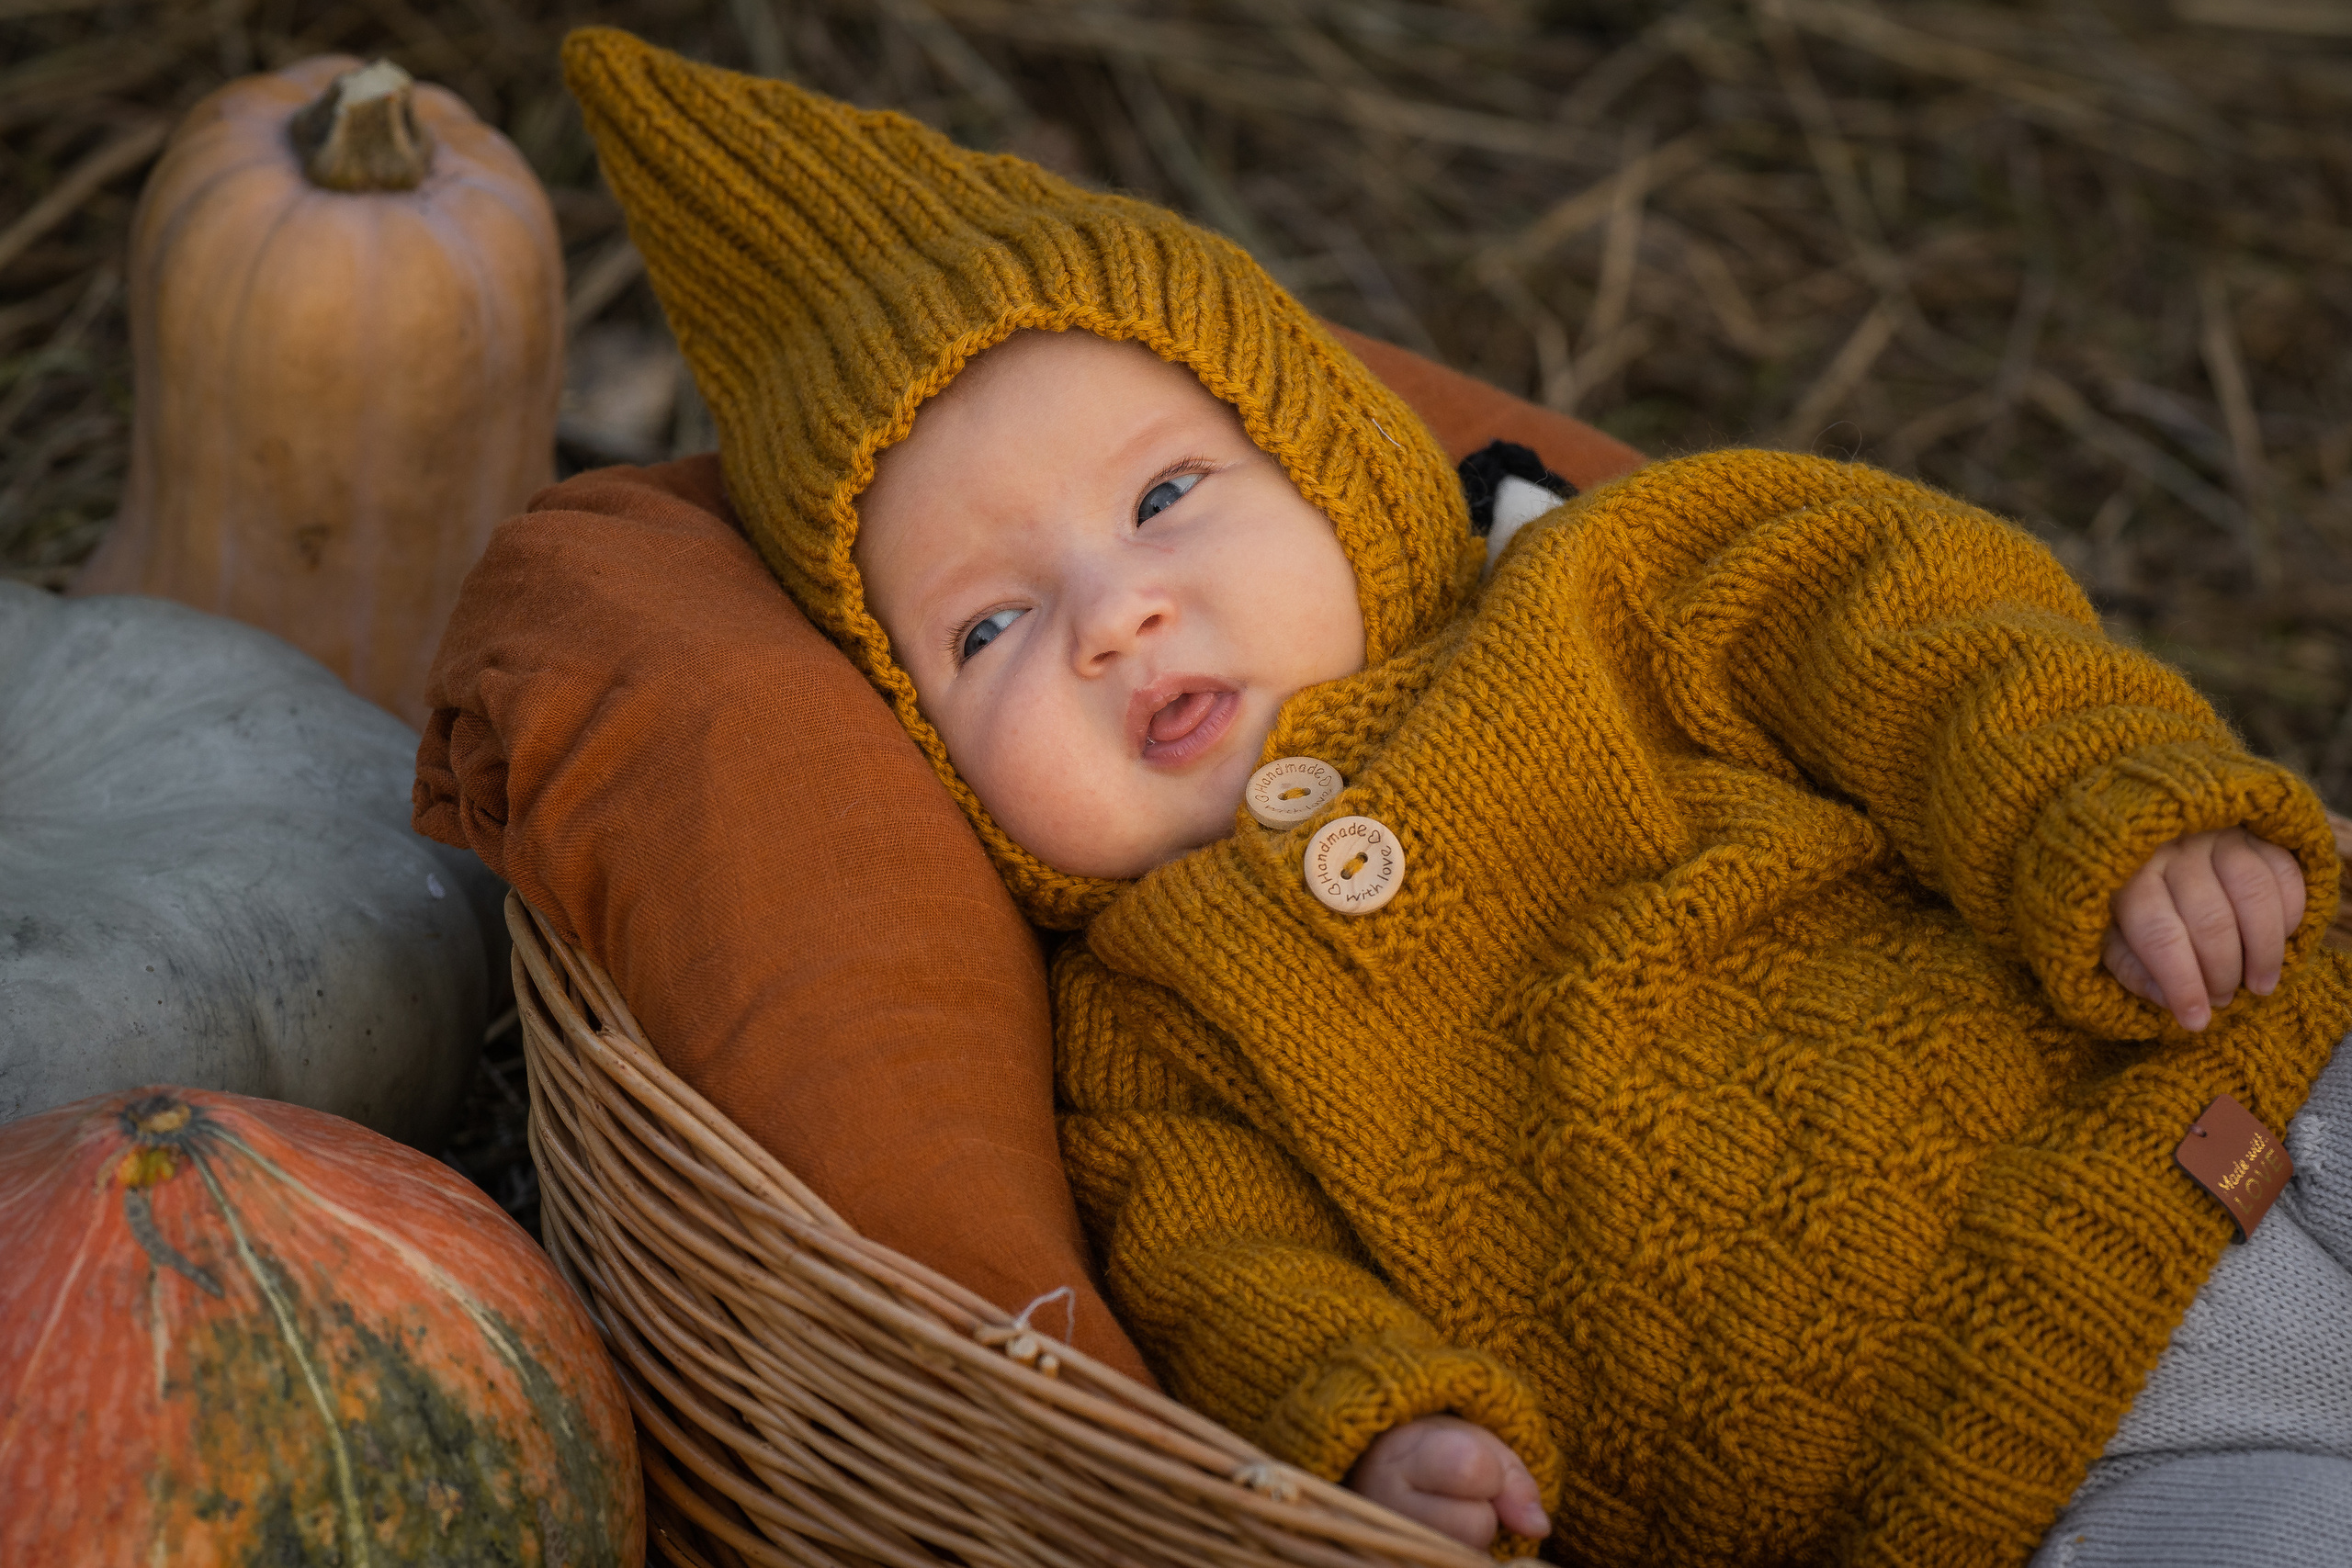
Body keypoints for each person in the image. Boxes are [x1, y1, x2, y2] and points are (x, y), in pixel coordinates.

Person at [562, 29, 2352, 1566]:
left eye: (1164, 495)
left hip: (2224, 1032)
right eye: (987, 623)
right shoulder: (1143, 1040)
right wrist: (1373, 1423)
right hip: (2044, 1460)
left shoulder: (1591, 595)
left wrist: (2112, 804)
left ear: (1331, 466)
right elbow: (1220, 1270)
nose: (1115, 616)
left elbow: (1892, 616)